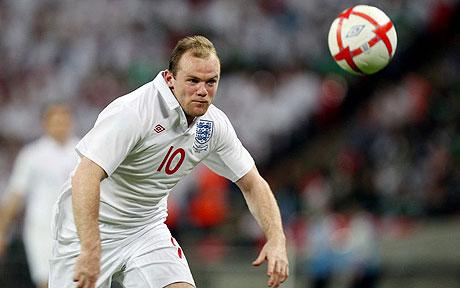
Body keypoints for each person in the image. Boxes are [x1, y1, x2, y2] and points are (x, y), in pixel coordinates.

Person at [49, 35, 289, 288]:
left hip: (145, 228)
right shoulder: (134, 111)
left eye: (211, 82)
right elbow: (85, 175)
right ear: (169, 79)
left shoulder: (213, 125)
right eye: (193, 81)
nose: (202, 91)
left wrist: (276, 239)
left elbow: (253, 183)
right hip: (86, 232)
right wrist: (90, 248)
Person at [0, 102, 79, 288]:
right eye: (56, 121)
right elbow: (15, 195)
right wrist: (2, 231)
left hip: (76, 227)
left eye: (64, 121)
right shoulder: (32, 155)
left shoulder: (83, 150)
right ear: (45, 124)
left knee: (78, 280)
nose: (60, 125)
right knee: (47, 281)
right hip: (41, 228)